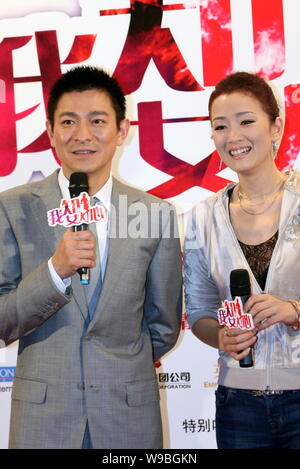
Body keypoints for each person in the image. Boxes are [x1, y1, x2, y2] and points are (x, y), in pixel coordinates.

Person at [0, 66, 182, 449]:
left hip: (127, 417)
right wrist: (54, 271)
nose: (82, 135)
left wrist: (119, 367)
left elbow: (163, 324)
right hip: (44, 422)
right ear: (50, 132)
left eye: (97, 121)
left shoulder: (154, 213)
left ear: (121, 130)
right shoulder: (12, 208)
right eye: (68, 122)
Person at [184, 71, 300, 449]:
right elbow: (199, 310)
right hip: (237, 404)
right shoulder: (203, 216)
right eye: (220, 126)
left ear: (275, 127)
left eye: (246, 121)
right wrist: (221, 336)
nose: (233, 137)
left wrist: (293, 309)